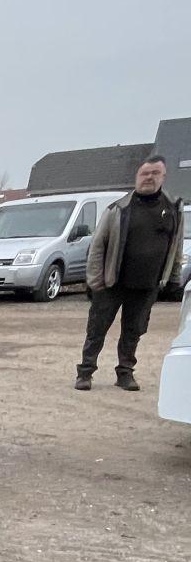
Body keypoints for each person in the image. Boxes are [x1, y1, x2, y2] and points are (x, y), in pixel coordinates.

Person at [75, 156, 185, 391]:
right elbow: (97, 246)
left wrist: (173, 279)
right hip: (112, 282)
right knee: (96, 330)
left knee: (133, 332)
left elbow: (176, 247)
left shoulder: (173, 209)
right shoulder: (118, 209)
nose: (149, 178)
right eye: (145, 173)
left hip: (147, 284)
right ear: (137, 176)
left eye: (155, 173)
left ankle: (125, 372)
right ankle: (85, 372)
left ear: (163, 177)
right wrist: (94, 282)